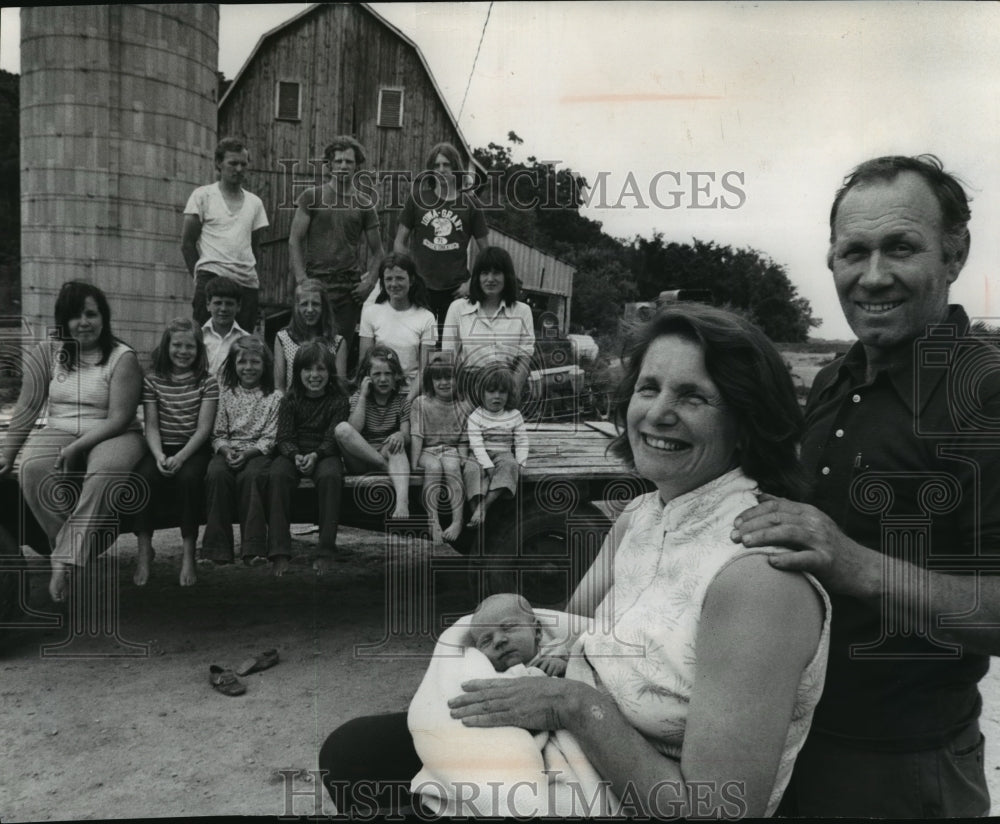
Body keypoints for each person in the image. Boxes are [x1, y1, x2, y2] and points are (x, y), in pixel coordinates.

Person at [319, 304, 831, 818]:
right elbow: (569, 626)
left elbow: (717, 810)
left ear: (747, 421)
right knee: (352, 752)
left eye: (693, 396)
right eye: (648, 388)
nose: (657, 413)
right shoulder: (643, 514)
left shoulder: (759, 583)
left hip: (625, 791)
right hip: (568, 741)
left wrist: (573, 705)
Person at [731, 155, 1000, 818]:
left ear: (955, 254)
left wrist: (854, 564)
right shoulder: (834, 379)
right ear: (831, 260)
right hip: (788, 746)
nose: (873, 276)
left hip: (906, 771)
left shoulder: (985, 397)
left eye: (901, 248)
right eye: (854, 252)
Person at [0, 280, 146, 602]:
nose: (84, 322)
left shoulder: (122, 357)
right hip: (61, 427)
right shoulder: (47, 352)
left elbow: (120, 418)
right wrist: (8, 454)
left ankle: (63, 558)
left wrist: (77, 447)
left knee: (104, 472)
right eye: (75, 316)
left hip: (115, 432)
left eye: (91, 314)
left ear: (103, 317)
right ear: (63, 321)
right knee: (33, 467)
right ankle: (64, 549)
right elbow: (27, 407)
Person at [133, 318, 219, 588]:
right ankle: (144, 550)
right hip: (162, 446)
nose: (183, 351)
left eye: (189, 346)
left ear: (199, 349)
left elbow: (204, 429)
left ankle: (188, 553)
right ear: (167, 346)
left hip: (193, 449)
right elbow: (151, 426)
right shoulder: (153, 380)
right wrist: (159, 455)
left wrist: (181, 458)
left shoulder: (207, 382)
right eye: (177, 345)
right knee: (142, 479)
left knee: (189, 481)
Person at [288, 136, 384, 368]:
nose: (343, 166)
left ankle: (338, 390)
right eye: (338, 161)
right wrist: (302, 280)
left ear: (356, 166)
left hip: (348, 290)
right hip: (315, 285)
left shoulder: (364, 204)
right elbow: (294, 240)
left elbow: (379, 252)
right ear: (329, 165)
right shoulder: (311, 197)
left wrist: (370, 282)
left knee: (339, 349)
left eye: (348, 162)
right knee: (306, 348)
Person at [268, 341, 350, 577]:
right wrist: (295, 455)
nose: (314, 375)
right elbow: (284, 437)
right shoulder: (289, 400)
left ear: (330, 372)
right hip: (293, 452)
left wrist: (316, 455)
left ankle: (325, 550)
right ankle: (279, 552)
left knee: (331, 478)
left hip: (324, 453)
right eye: (308, 369)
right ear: (298, 372)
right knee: (277, 475)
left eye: (321, 369)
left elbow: (332, 436)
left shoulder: (338, 401)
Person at [393, 141, 489, 337]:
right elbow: (399, 243)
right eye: (436, 165)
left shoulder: (470, 204)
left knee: (450, 345)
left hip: (456, 290)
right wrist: (408, 276)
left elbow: (486, 252)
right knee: (418, 341)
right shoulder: (418, 199)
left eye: (447, 165)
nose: (441, 170)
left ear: (456, 169)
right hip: (421, 288)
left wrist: (471, 283)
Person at [203, 335, 280, 564]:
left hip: (257, 452)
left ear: (265, 365)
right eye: (242, 362)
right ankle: (216, 549)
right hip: (228, 450)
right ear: (233, 365)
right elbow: (218, 433)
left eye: (255, 362)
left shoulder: (274, 397)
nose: (248, 367)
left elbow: (270, 437)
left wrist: (247, 455)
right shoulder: (225, 394)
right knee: (216, 474)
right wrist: (227, 452)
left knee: (252, 477)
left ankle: (254, 548)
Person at [182, 137, 269, 333]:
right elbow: (187, 244)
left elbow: (253, 247)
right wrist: (201, 280)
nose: (239, 169)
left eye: (243, 164)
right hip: (212, 278)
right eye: (233, 163)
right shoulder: (203, 196)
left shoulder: (255, 203)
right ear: (218, 164)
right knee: (205, 339)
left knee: (242, 342)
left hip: (246, 283)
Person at [441, 246, 535, 404]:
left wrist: (511, 393)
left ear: (507, 276)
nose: (490, 279)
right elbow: (449, 355)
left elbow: (525, 356)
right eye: (484, 273)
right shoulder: (457, 308)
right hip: (468, 390)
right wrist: (463, 396)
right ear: (476, 277)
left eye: (497, 273)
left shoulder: (522, 311)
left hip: (507, 388)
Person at [335, 345, 411, 520]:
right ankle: (383, 466)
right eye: (377, 374)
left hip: (386, 451)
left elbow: (407, 436)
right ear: (367, 376)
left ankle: (402, 502)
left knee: (397, 447)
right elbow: (353, 429)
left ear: (396, 376)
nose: (383, 379)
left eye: (388, 374)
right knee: (342, 428)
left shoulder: (402, 401)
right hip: (360, 459)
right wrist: (362, 396)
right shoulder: (358, 397)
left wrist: (400, 435)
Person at [358, 253, 436, 396]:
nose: (394, 284)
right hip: (378, 392)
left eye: (400, 278)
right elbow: (365, 363)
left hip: (411, 393)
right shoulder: (371, 313)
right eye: (389, 279)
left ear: (411, 280)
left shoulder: (426, 317)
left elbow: (424, 370)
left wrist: (408, 401)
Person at [409, 357, 468, 543]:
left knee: (452, 468)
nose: (444, 383)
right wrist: (414, 462)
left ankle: (457, 521)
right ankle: (432, 520)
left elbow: (463, 439)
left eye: (448, 377)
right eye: (438, 378)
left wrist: (463, 458)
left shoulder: (463, 406)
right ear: (430, 381)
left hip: (450, 449)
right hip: (427, 451)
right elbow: (417, 435)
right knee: (433, 467)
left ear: (457, 380)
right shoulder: (421, 403)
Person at [464, 364, 528, 529]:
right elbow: (477, 445)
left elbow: (521, 441)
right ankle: (475, 510)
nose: (497, 396)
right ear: (481, 393)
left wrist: (521, 462)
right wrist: (487, 465)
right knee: (471, 469)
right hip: (479, 454)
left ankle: (484, 506)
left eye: (502, 392)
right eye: (491, 391)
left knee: (511, 465)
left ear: (509, 393)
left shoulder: (514, 415)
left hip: (503, 453)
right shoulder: (476, 416)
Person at [273, 278, 347, 393]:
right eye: (304, 304)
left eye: (316, 304)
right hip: (293, 402)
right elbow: (279, 388)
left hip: (327, 403)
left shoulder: (337, 342)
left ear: (324, 307)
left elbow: (340, 388)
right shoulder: (283, 338)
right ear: (296, 307)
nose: (310, 309)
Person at [201, 275, 248, 377]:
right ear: (208, 305)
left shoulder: (245, 339)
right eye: (218, 303)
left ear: (238, 306)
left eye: (229, 304)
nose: (223, 309)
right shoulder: (198, 337)